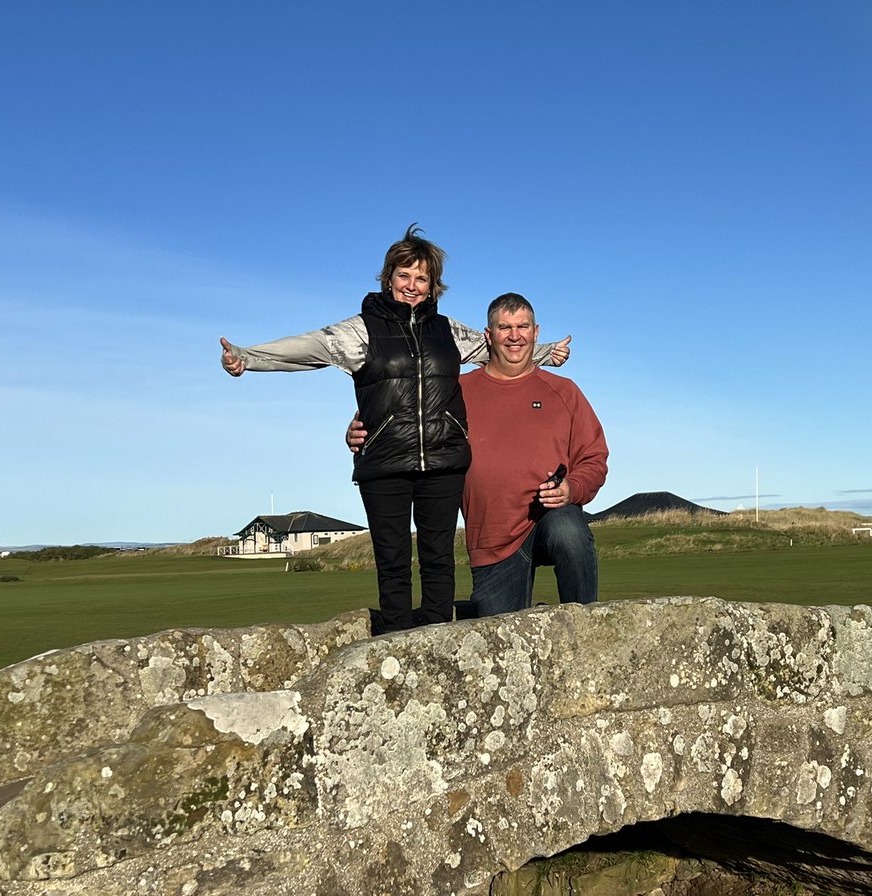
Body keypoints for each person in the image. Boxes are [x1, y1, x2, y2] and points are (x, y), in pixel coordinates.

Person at [220, 227, 570, 634]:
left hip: (443, 461)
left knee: (438, 560)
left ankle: (438, 649)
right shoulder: (361, 330)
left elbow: (498, 345)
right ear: (388, 278)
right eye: (404, 275)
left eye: (421, 278)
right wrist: (249, 358)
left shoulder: (446, 332)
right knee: (393, 562)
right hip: (384, 463)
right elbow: (310, 347)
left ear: (432, 285)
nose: (412, 285)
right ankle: (396, 646)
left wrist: (548, 353)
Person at [350, 293, 608, 616]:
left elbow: (594, 458)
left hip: (548, 520)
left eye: (522, 326)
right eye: (504, 327)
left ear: (536, 332)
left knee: (569, 529)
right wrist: (364, 426)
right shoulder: (456, 389)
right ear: (488, 335)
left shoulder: (565, 391)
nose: (515, 336)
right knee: (500, 641)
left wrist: (573, 488)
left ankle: (587, 629)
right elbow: (406, 415)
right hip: (492, 541)